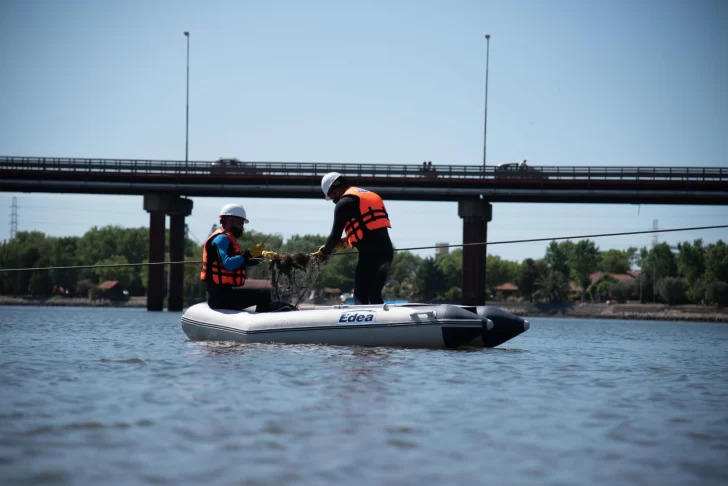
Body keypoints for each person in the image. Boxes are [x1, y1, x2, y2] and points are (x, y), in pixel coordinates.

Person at [315, 172, 394, 305]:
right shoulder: (369, 195)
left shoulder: (344, 203)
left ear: (336, 186)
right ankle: (380, 323)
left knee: (360, 296)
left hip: (370, 256)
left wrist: (324, 253)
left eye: (333, 195)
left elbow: (335, 235)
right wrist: (347, 239)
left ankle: (363, 325)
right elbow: (369, 228)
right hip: (387, 254)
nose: (334, 200)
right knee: (374, 295)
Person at [200, 203, 270, 311]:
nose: (242, 227)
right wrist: (248, 253)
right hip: (219, 299)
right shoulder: (221, 239)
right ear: (231, 221)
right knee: (264, 295)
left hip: (226, 294)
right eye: (241, 223)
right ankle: (264, 324)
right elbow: (228, 264)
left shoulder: (228, 239)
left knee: (264, 293)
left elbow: (242, 261)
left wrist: (261, 257)